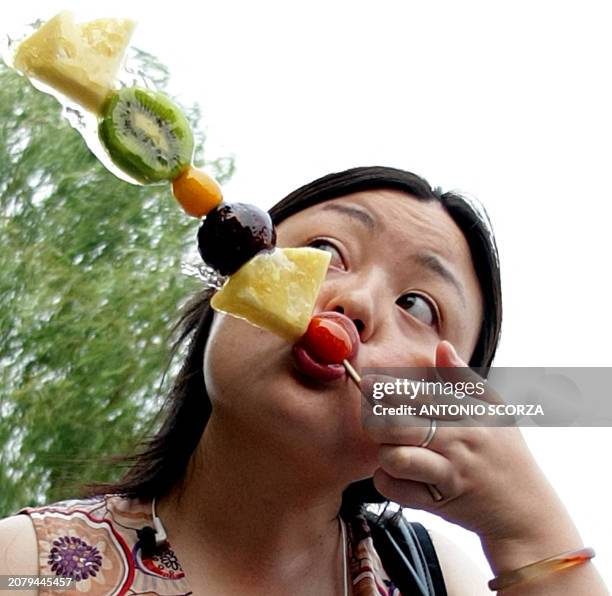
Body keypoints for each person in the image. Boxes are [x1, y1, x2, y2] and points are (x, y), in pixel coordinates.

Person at [0, 166, 606, 595]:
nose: (356, 301)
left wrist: (532, 533)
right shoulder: (28, 566)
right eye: (324, 249)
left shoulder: (441, 579)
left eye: (419, 306)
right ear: (224, 293)